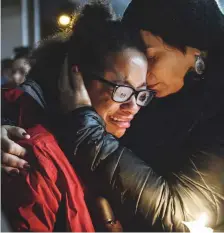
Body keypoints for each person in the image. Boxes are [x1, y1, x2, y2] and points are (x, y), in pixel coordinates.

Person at [2, 0, 224, 231]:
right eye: (123, 89)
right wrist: (9, 120)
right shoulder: (157, 92)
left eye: (151, 57)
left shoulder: (212, 108)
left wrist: (88, 129)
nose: (145, 77)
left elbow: (182, 217)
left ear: (195, 49)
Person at [1, 1, 151, 231]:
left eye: (141, 93)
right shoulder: (35, 154)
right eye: (121, 89)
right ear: (75, 78)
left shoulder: (123, 143)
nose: (133, 106)